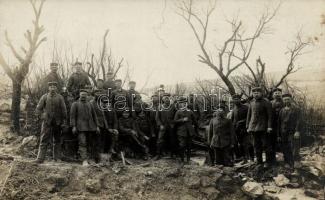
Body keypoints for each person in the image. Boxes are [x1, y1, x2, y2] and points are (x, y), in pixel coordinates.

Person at [34, 81, 67, 163]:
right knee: (44, 139)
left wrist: (64, 121)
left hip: (57, 122)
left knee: (57, 140)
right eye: (51, 87)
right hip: (47, 122)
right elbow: (38, 108)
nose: (52, 88)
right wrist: (42, 115)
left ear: (56, 88)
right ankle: (40, 158)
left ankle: (57, 158)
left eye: (54, 87)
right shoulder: (44, 97)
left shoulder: (60, 97)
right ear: (48, 88)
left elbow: (64, 110)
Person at [70, 89, 100, 166]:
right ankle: (84, 160)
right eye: (82, 94)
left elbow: (94, 116)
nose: (83, 96)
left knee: (91, 143)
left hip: (91, 127)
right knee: (82, 143)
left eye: (85, 95)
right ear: (80, 95)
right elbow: (72, 117)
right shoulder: (75, 104)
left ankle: (90, 159)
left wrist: (97, 126)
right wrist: (73, 126)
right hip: (80, 127)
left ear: (87, 96)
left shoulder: (90, 104)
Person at [246, 86, 273, 167]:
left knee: (266, 145)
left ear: (261, 93)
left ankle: (268, 161)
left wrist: (269, 126)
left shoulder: (266, 102)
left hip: (263, 127)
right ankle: (259, 161)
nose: (256, 94)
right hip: (253, 128)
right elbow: (249, 115)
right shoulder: (251, 103)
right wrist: (248, 126)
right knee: (256, 145)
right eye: (254, 93)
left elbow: (270, 116)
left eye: (258, 93)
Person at [278, 93, 301, 168]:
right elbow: (279, 122)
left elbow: (299, 120)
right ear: (283, 100)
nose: (286, 101)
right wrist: (278, 135)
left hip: (293, 131)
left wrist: (297, 131)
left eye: (288, 99)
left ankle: (296, 161)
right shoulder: (281, 110)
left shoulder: (296, 109)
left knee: (294, 146)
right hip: (283, 132)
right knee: (285, 147)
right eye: (284, 99)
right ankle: (287, 162)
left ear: (291, 99)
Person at [231, 94, 254, 163]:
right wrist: (233, 128)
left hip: (245, 129)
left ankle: (252, 158)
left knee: (249, 144)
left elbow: (250, 117)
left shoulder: (246, 107)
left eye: (237, 99)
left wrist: (242, 122)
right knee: (240, 144)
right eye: (234, 99)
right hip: (237, 130)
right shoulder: (234, 109)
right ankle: (244, 159)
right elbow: (233, 120)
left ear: (240, 99)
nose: (236, 100)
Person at [174, 97, 198, 163]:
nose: (183, 105)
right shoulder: (178, 112)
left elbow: (195, 121)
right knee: (182, 145)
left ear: (186, 104)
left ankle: (188, 159)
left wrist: (193, 126)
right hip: (181, 132)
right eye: (181, 104)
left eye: (184, 103)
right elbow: (175, 121)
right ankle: (182, 159)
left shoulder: (190, 112)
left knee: (189, 146)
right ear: (179, 104)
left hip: (190, 132)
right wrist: (182, 120)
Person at [154, 93, 176, 160]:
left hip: (171, 126)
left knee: (172, 140)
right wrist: (160, 125)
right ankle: (158, 154)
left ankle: (172, 154)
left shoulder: (173, 106)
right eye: (165, 98)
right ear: (163, 99)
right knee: (160, 140)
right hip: (163, 126)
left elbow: (176, 116)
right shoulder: (160, 107)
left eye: (168, 98)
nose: (166, 99)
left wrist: (173, 124)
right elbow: (157, 118)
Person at [270, 88, 284, 165]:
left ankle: (281, 159)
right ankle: (273, 160)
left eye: (279, 93)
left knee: (282, 142)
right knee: (273, 142)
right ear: (273, 95)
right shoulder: (270, 103)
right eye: (275, 93)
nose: (277, 94)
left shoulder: (284, 102)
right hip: (273, 125)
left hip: (283, 125)